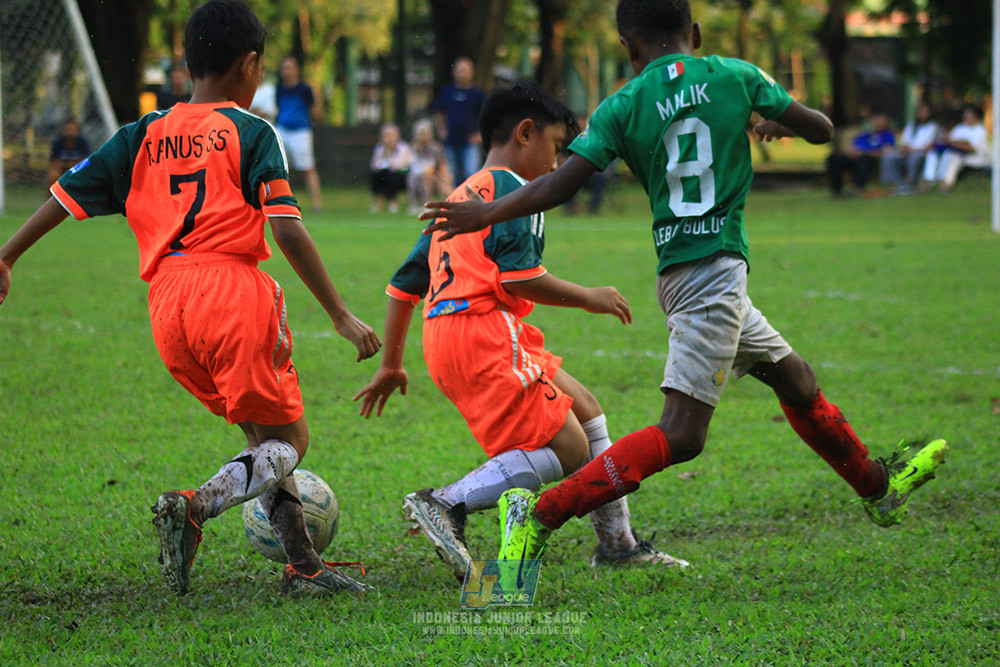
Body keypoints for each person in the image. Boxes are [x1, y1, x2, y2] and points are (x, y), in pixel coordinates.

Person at [419, 0, 948, 588]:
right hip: (713, 274)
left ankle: (875, 486)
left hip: (683, 274)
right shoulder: (736, 76)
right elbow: (822, 130)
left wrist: (488, 210)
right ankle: (542, 514)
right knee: (682, 435)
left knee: (795, 377)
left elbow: (561, 184)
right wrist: (779, 120)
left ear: (629, 47)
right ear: (693, 32)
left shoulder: (621, 105)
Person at [0, 0, 381, 597]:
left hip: (167, 303)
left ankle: (305, 566)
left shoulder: (142, 133)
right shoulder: (252, 132)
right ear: (250, 65)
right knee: (290, 442)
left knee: (261, 438)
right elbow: (285, 225)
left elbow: (62, 194)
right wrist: (339, 313)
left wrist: (7, 255)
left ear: (189, 61)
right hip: (231, 291)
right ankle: (196, 506)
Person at [355, 80, 686, 583]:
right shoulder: (513, 190)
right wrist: (589, 296)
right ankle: (445, 503)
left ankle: (618, 544)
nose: (557, 166)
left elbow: (404, 285)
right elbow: (519, 278)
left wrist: (392, 363)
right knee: (568, 449)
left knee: (587, 408)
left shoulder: (461, 196)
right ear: (526, 133)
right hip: (482, 331)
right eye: (556, 148)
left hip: (450, 334)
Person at [275, 56, 322, 212]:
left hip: (301, 132)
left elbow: (314, 112)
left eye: (290, 67)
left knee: (307, 167)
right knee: (279, 168)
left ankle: (317, 204)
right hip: (282, 130)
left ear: (297, 70)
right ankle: (281, 202)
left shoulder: (304, 89)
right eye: (284, 68)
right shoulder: (279, 89)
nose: (287, 71)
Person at [433, 57, 486, 185]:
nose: (462, 74)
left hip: (470, 143)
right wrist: (441, 130)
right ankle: (456, 203)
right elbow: (439, 113)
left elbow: (487, 116)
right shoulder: (447, 92)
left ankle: (470, 203)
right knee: (453, 176)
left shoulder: (477, 94)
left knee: (471, 175)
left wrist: (480, 135)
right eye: (460, 70)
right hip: (451, 142)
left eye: (465, 70)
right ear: (454, 72)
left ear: (471, 73)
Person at [921, 104, 990, 193]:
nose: (966, 116)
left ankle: (946, 183)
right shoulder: (960, 128)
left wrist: (956, 143)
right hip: (952, 152)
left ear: (976, 116)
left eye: (969, 114)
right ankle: (929, 179)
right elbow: (949, 140)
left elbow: (972, 148)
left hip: (974, 157)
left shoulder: (980, 130)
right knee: (933, 154)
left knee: (953, 157)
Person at [825, 112, 895, 196]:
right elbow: (850, 147)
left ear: (886, 122)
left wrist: (862, 153)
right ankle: (836, 189)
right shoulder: (864, 135)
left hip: (869, 160)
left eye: (881, 120)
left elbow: (885, 152)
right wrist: (851, 152)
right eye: (876, 119)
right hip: (854, 158)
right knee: (834, 157)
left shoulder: (888, 136)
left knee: (865, 158)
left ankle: (856, 188)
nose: (877, 122)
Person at [880, 102, 938, 194]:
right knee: (889, 156)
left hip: (921, 153)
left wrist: (912, 150)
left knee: (914, 157)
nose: (922, 114)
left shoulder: (933, 127)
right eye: (920, 111)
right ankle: (895, 183)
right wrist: (904, 149)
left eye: (924, 112)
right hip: (906, 152)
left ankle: (911, 183)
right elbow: (903, 141)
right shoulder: (911, 126)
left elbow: (929, 146)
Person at [406, 118, 451, 215]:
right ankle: (415, 204)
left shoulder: (436, 148)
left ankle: (430, 204)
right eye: (420, 133)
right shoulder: (411, 148)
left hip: (434, 176)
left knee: (431, 176)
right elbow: (409, 164)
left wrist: (444, 179)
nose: (423, 136)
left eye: (425, 133)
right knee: (412, 177)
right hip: (415, 175)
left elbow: (442, 166)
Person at [369, 122, 414, 214]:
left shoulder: (403, 147)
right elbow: (374, 164)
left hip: (401, 176)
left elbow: (403, 164)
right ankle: (377, 202)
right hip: (384, 174)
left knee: (392, 175)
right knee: (376, 175)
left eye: (390, 135)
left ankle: (393, 202)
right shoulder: (380, 148)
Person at [47, 118, 90, 187]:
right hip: (61, 170)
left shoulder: (82, 143)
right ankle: (53, 196)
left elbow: (85, 162)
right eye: (67, 130)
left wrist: (68, 165)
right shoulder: (58, 143)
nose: (70, 133)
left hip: (78, 170)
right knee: (53, 175)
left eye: (72, 130)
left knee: (85, 176)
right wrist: (70, 164)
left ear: (77, 131)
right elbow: (54, 163)